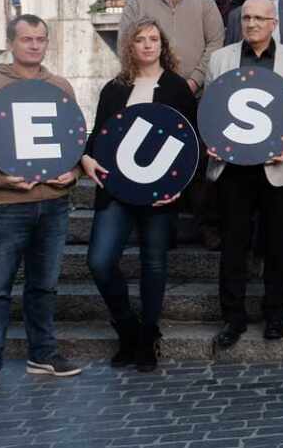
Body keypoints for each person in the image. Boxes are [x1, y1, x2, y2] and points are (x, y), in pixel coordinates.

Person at [0, 15, 83, 396]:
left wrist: (73, 172)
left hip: (53, 204)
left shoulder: (60, 86)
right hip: (5, 204)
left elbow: (74, 139)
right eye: (27, 39)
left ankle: (43, 353)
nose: (34, 45)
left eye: (41, 39)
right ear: (11, 42)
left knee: (44, 286)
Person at [80, 19, 196, 373]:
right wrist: (84, 158)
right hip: (116, 188)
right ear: (129, 46)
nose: (147, 45)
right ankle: (127, 329)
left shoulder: (177, 88)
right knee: (99, 262)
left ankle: (148, 337)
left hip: (160, 192)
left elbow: (193, 145)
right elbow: (98, 137)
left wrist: (177, 189)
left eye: (154, 39)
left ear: (163, 45)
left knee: (154, 263)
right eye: (140, 40)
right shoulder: (114, 89)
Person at [207, 0, 283, 350]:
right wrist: (212, 140)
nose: (251, 24)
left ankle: (275, 315)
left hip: (277, 167)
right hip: (232, 167)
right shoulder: (220, 59)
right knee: (234, 245)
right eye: (246, 17)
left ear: (274, 23)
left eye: (259, 18)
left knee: (277, 245)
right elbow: (210, 107)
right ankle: (232, 317)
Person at [118, 0, 224, 94]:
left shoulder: (205, 3)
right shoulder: (136, 5)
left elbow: (216, 43)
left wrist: (194, 81)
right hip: (149, 92)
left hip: (197, 95)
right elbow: (125, 47)